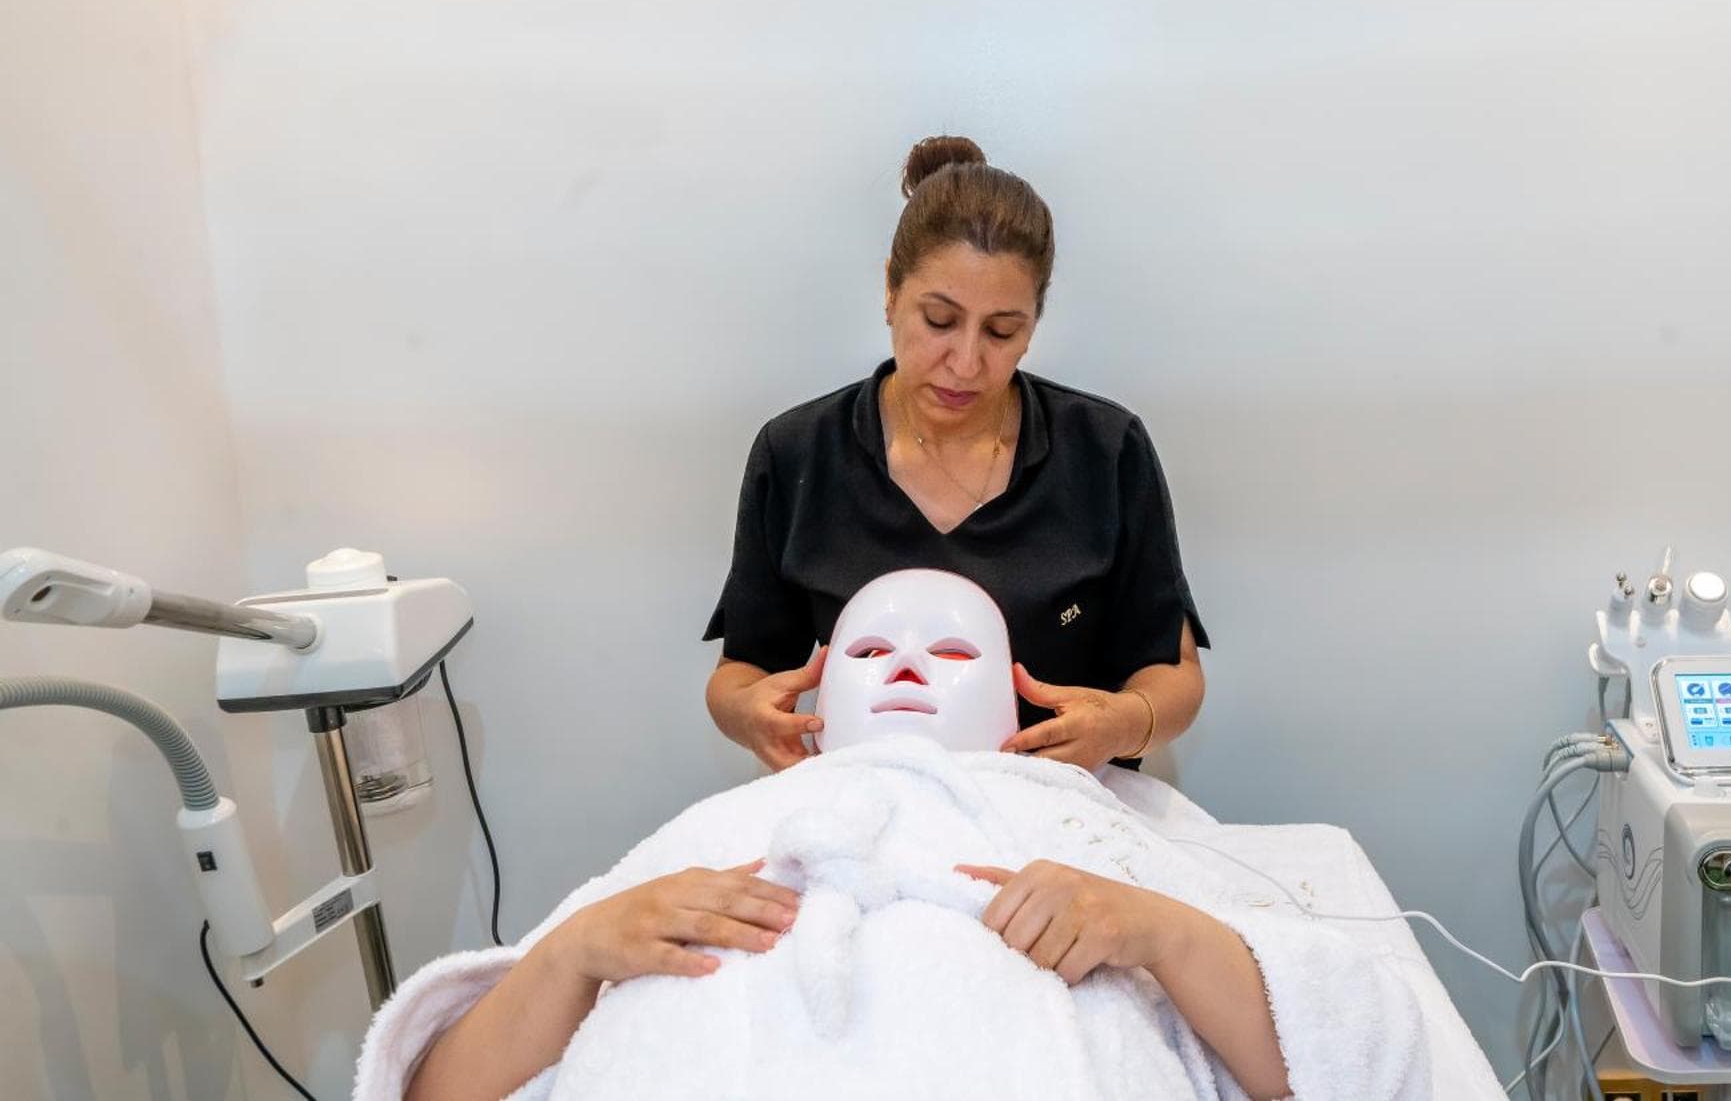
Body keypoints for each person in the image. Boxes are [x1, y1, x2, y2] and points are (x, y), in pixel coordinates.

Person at [381, 572, 1429, 1101]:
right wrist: (573, 952)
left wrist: (1157, 929)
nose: (910, 667)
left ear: (1016, 701)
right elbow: (436, 1087)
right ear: (815, 699)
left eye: (953, 652)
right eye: (872, 648)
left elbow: (1351, 1058)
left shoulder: (1086, 825)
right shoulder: (716, 830)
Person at [704, 135, 1209, 772]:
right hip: (868, 798)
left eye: (1002, 331)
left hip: (1061, 809)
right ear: (891, 291)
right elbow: (740, 671)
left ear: (1034, 324)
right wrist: (747, 714)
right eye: (939, 321)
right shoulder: (798, 454)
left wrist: (1127, 723)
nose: (966, 363)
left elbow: (1173, 672)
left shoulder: (1105, 452)